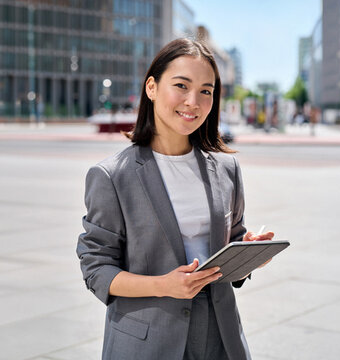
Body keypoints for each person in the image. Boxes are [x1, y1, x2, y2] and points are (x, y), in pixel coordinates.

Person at [77, 38, 274, 360]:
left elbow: (231, 241)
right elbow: (97, 270)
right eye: (181, 85)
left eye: (206, 91)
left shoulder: (227, 168)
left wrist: (248, 251)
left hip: (220, 336)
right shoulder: (112, 175)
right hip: (146, 340)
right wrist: (164, 285)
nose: (193, 101)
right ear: (152, 88)